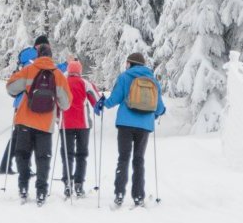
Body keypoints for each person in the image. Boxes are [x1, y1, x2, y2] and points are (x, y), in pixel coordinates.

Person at [96, 51, 165, 207]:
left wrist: (103, 103)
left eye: (127, 63)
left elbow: (114, 99)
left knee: (123, 158)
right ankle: (138, 196)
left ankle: (119, 194)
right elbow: (159, 107)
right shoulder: (153, 81)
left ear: (130, 63)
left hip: (125, 124)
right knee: (139, 160)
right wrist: (158, 113)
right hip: (145, 126)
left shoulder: (125, 77)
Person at [5, 42, 71, 205]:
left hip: (25, 121)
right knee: (43, 158)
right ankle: (41, 191)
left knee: (22, 155)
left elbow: (11, 88)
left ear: (38, 55)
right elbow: (66, 103)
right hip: (45, 124)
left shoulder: (29, 70)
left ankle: (23, 187)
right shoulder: (58, 75)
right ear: (51, 56)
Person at [60, 58, 100, 197]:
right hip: (83, 124)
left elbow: (56, 100)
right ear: (80, 71)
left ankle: (67, 183)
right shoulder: (85, 83)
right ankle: (79, 184)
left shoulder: (63, 82)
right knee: (81, 154)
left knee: (67, 154)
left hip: (66, 124)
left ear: (69, 70)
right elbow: (96, 100)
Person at [0, 46, 37, 175]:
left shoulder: (23, 68)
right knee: (24, 137)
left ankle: (6, 165)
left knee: (18, 137)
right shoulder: (30, 69)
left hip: (19, 105)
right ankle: (19, 167)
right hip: (25, 106)